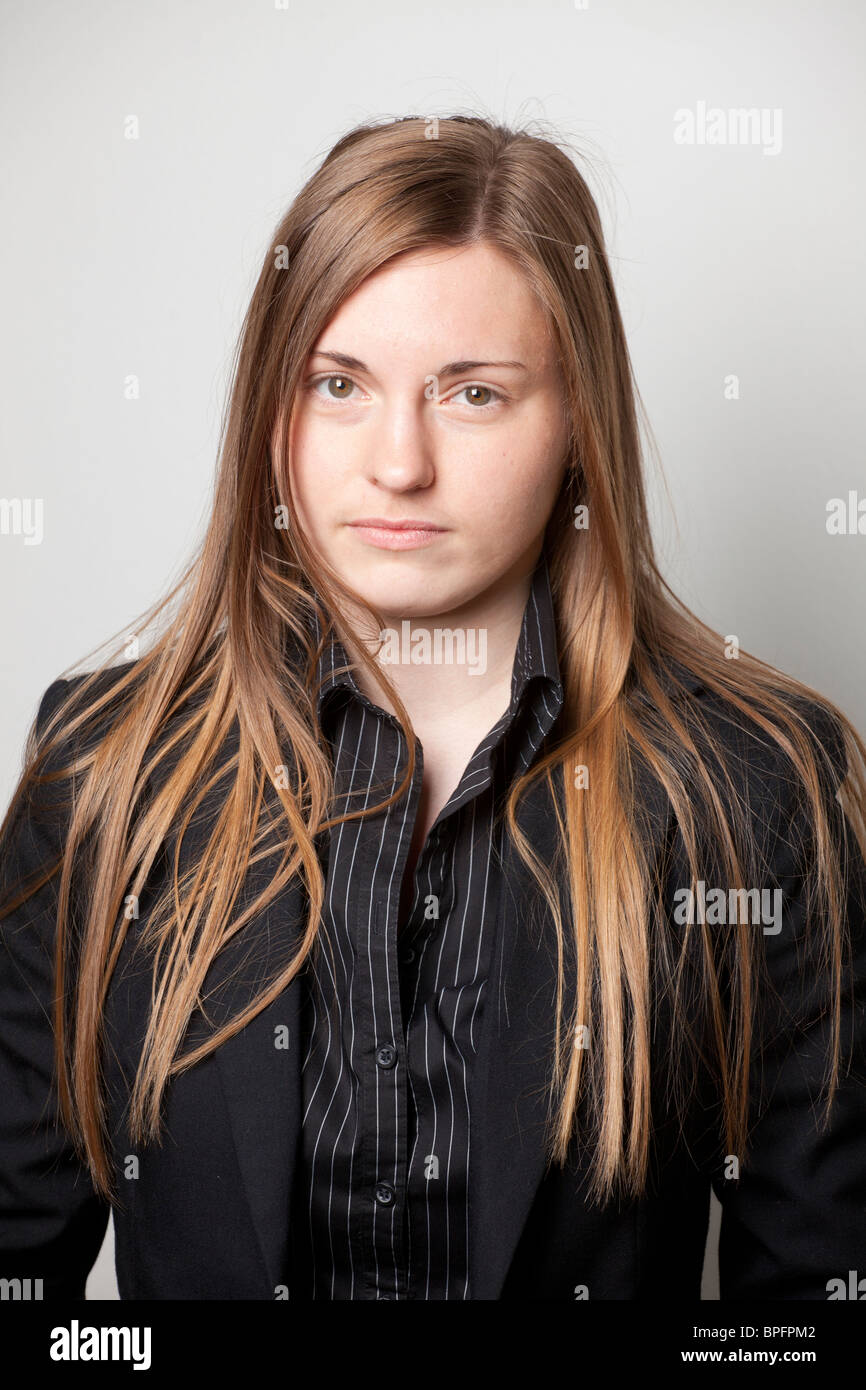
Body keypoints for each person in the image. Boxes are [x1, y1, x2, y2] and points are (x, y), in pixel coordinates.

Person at [1, 114, 864, 1302]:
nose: (396, 462)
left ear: (574, 425)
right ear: (272, 413)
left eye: (471, 392)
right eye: (338, 384)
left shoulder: (754, 782)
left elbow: (816, 1300)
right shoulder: (103, 768)